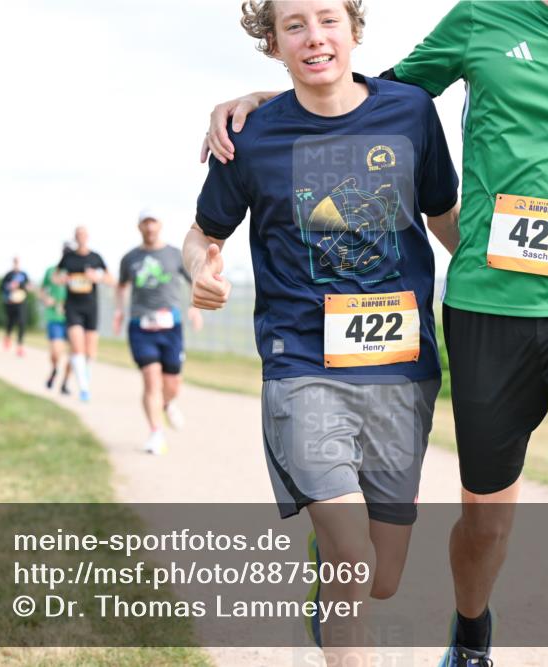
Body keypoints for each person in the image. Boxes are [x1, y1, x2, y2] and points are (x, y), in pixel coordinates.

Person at [203, 1, 548, 665]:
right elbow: (387, 90)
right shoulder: (482, 16)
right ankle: (470, 631)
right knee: (488, 523)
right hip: (490, 314)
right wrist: (285, 98)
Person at [187, 1, 460, 662]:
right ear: (273, 43)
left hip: (403, 368)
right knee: (352, 557)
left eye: (328, 19)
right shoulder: (250, 136)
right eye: (295, 25)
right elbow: (203, 235)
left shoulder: (410, 112)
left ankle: (328, 555)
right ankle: (333, 549)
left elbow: (447, 219)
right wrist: (200, 270)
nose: (315, 37)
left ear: (354, 29)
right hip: (302, 364)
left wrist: (506, 286)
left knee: (382, 576)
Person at [116, 210, 204, 455]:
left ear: (160, 225)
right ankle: (156, 432)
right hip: (140, 326)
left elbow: (194, 280)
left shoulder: (175, 255)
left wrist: (195, 308)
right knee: (151, 380)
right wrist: (119, 311)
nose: (149, 227)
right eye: (145, 222)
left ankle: (167, 403)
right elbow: (121, 286)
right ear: (139, 227)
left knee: (173, 383)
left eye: (153, 222)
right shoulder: (129, 258)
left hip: (171, 327)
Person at [56, 226, 115, 402]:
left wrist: (97, 277)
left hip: (91, 306)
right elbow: (56, 277)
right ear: (75, 237)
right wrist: (63, 279)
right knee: (77, 347)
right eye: (78, 235)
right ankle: (84, 388)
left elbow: (111, 279)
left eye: (84, 234)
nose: (81, 237)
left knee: (90, 352)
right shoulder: (68, 258)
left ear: (88, 237)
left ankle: (85, 380)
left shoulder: (95, 258)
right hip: (73, 306)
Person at [41, 248, 73, 395]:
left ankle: (65, 382)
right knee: (56, 351)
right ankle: (54, 369)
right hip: (54, 316)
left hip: (73, 317)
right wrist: (46, 299)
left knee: (74, 354)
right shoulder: (51, 271)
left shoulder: (77, 272)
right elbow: (42, 289)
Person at [0, 256, 30, 356]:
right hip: (10, 302)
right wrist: (9, 287)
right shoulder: (8, 275)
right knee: (11, 322)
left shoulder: (24, 274)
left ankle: (20, 346)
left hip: (21, 302)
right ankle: (7, 336)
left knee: (21, 323)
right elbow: (2, 287)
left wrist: (20, 286)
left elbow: (28, 286)